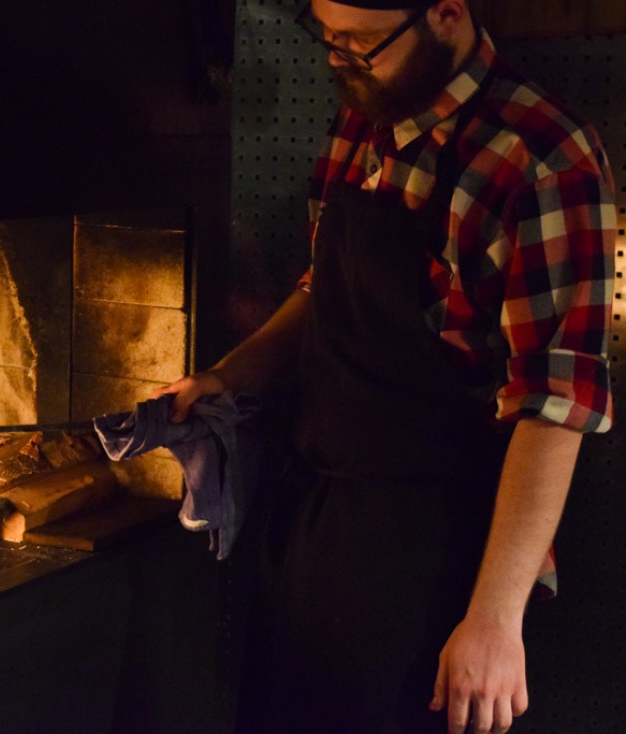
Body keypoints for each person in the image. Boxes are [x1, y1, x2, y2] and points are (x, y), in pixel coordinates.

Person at [157, 0, 616, 731]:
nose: (338, 59)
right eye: (326, 35)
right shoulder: (364, 120)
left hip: (436, 559)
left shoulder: (542, 160)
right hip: (317, 526)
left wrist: (495, 621)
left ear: (446, 13)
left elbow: (555, 405)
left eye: (361, 43)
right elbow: (324, 290)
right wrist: (228, 376)